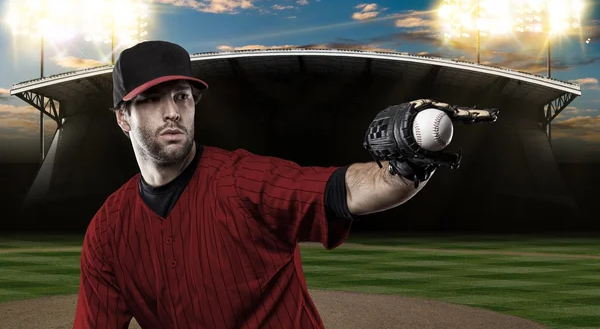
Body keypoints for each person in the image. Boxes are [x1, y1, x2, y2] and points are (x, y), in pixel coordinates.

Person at [73, 40, 497, 329]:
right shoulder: (108, 232)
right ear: (123, 117)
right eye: (151, 99)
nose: (172, 112)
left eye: (182, 96)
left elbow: (348, 190)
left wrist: (407, 165)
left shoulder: (243, 182)